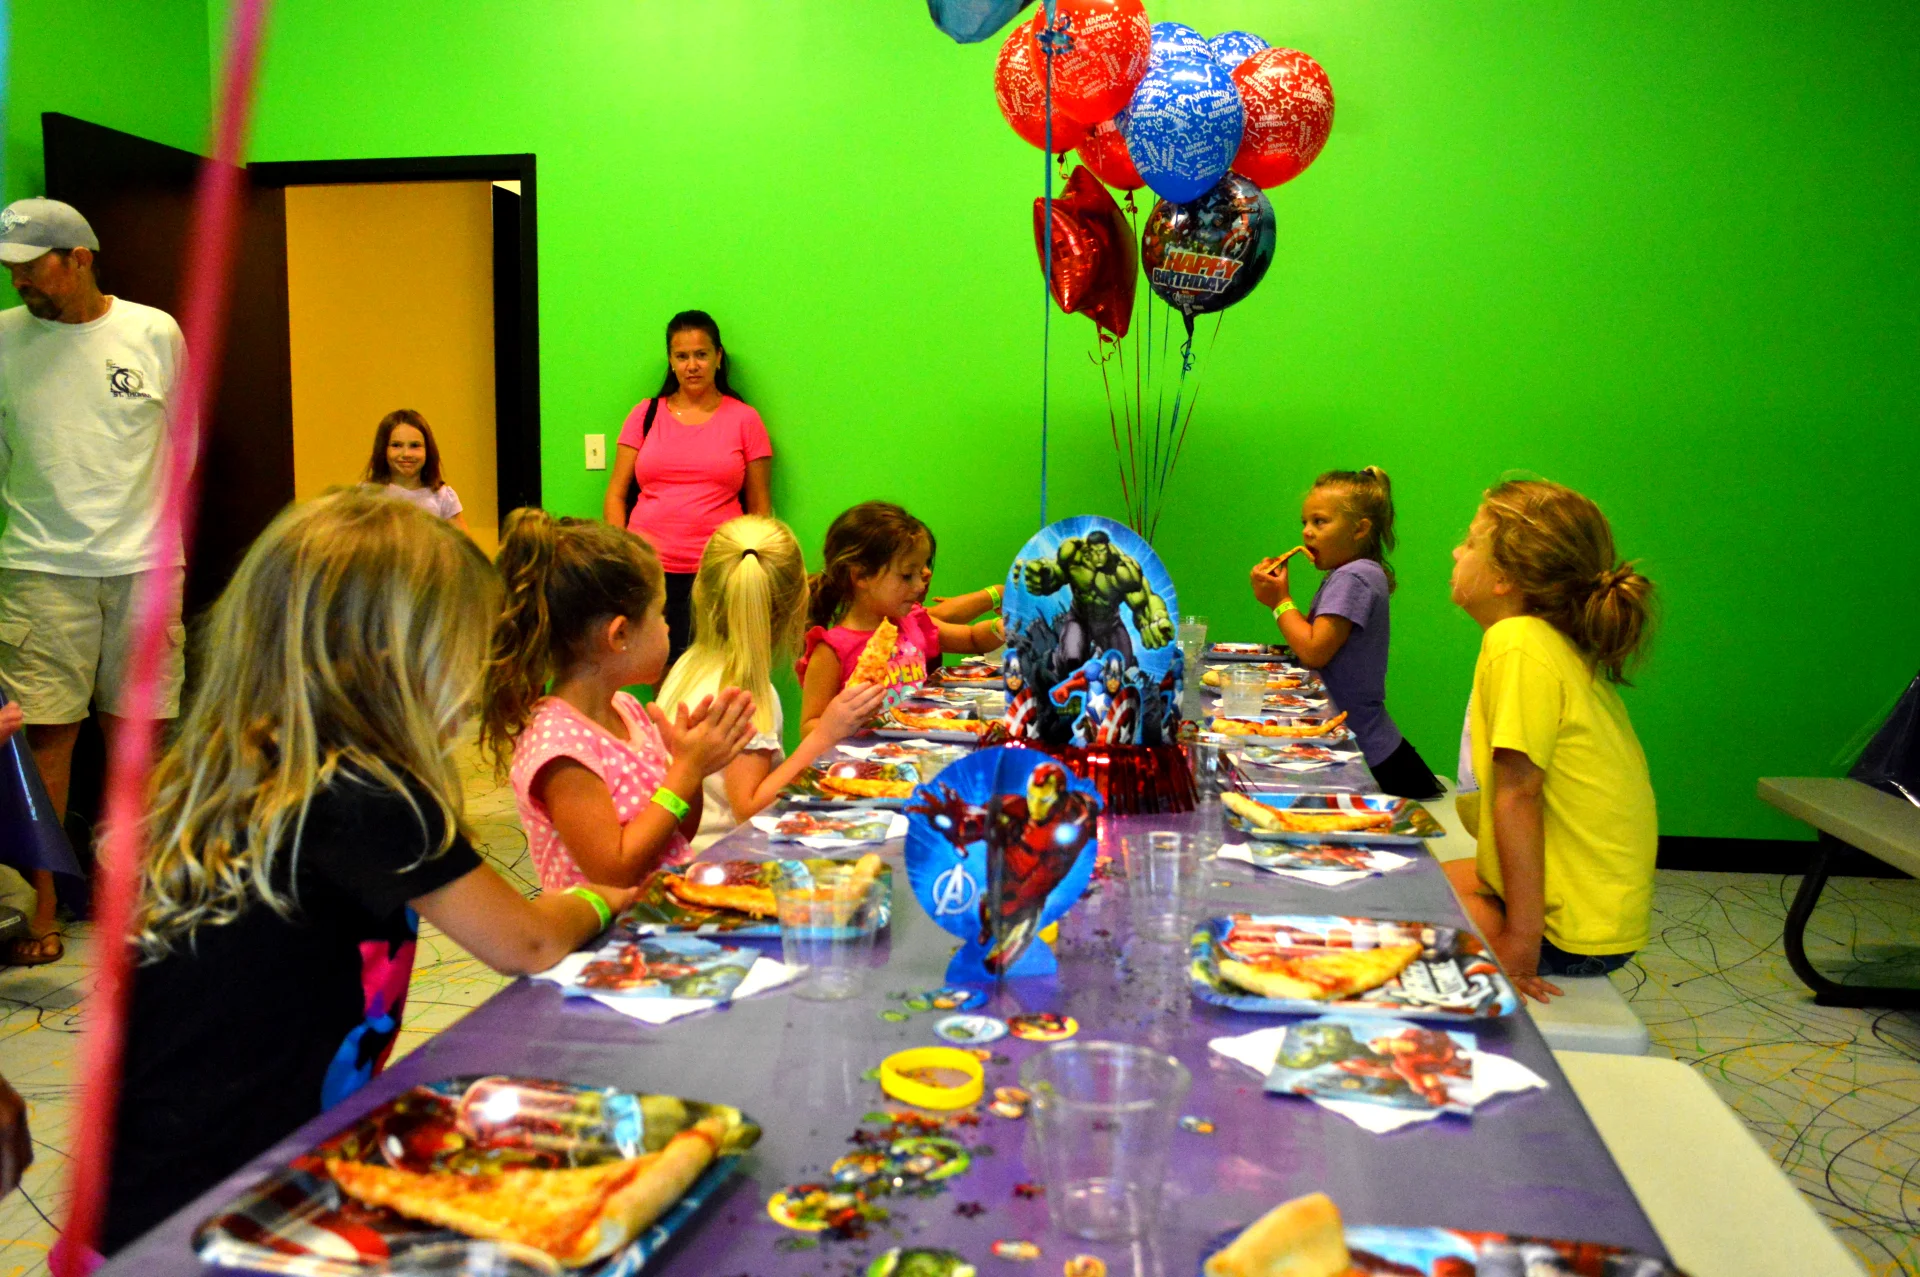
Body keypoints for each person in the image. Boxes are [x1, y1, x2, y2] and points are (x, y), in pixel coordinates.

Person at [102, 490, 640, 1254]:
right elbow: (525, 940)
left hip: (155, 1187)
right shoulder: (365, 793)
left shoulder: (257, 768)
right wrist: (601, 896)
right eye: (464, 649)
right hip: (208, 1206)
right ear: (393, 661)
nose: (477, 676)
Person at [0, 198, 189, 967]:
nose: (19, 282)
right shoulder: (4, 338)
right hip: (39, 566)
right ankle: (39, 905)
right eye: (10, 269)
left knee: (144, 735)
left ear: (79, 257)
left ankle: (140, 895)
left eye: (32, 267)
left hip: (145, 564)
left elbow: (183, 445)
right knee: (44, 740)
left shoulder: (154, 332)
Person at [1443, 479, 1658, 1003]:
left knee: (1397, 922)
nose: (1456, 552)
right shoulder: (1540, 641)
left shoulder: (1517, 642)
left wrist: (1521, 942)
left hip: (1570, 933)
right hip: (1591, 912)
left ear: (1504, 579)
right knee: (1404, 883)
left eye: (1470, 542)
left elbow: (1520, 794)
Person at [481, 510, 758, 889]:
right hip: (613, 925)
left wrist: (690, 767)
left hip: (661, 909)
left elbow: (677, 833)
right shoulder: (560, 748)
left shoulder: (627, 711)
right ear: (620, 635)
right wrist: (686, 770)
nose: (667, 627)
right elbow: (614, 869)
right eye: (660, 614)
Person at [656, 515, 888, 850]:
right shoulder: (746, 693)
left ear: (703, 590)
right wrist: (825, 735)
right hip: (720, 855)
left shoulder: (690, 664)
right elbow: (748, 809)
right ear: (798, 601)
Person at [1248, 467, 1443, 799]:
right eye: (1305, 522)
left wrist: (1279, 602)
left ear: (1359, 529)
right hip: (1367, 741)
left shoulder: (1353, 577)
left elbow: (1314, 650)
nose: (1307, 532)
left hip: (1366, 753)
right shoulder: (1354, 573)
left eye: (1320, 522)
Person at [601, 311, 771, 667]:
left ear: (718, 357)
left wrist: (752, 565)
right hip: (650, 575)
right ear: (671, 361)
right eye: (682, 356)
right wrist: (623, 559)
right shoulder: (645, 414)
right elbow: (616, 494)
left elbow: (760, 507)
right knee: (662, 676)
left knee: (719, 674)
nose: (692, 365)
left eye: (701, 354)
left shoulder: (745, 419)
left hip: (720, 573)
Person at [797, 501, 1003, 734]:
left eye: (920, 572)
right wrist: (842, 722)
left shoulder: (912, 622)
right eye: (907, 575)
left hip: (917, 748)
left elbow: (971, 638)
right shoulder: (831, 650)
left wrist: (1001, 626)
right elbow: (809, 727)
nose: (919, 585)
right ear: (861, 576)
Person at [363, 408, 471, 535]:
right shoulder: (365, 495)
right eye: (396, 445)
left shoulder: (443, 498)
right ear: (382, 449)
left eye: (415, 446)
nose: (406, 454)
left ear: (428, 450)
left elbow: (463, 545)